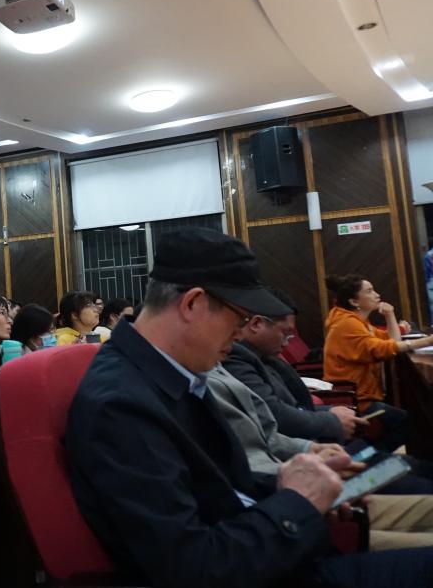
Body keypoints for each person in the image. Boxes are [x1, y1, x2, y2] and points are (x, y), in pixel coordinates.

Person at [66, 227, 433, 588]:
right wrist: (297, 502)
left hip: (281, 550)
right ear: (192, 304)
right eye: (240, 318)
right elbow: (194, 568)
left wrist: (299, 484)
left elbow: (223, 488)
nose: (242, 333)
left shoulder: (168, 372)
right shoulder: (122, 405)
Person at [207, 362, 433, 551]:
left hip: (300, 479)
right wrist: (301, 483)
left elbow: (269, 431)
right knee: (404, 469)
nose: (289, 331)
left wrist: (310, 451)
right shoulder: (226, 364)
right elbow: (277, 420)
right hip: (286, 510)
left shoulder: (220, 363)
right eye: (282, 326)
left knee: (402, 463)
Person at [223, 288, 367, 444]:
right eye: (285, 333)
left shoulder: (265, 357)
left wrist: (330, 411)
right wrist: (332, 421)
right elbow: (273, 413)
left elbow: (294, 406)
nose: (286, 343)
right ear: (257, 324)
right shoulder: (235, 358)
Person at [322, 274, 433, 451]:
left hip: (364, 393)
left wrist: (390, 314)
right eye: (370, 291)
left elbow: (391, 341)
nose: (377, 294)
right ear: (354, 301)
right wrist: (427, 341)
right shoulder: (347, 324)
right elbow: (383, 348)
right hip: (355, 398)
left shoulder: (358, 321)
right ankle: (369, 458)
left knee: (412, 418)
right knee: (409, 421)